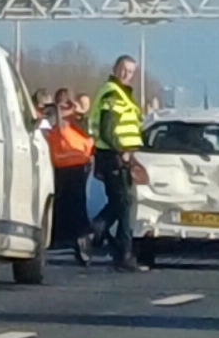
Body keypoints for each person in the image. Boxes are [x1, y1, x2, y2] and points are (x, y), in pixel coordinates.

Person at [87, 55, 145, 271]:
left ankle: (107, 243)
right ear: (114, 68)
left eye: (130, 71)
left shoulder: (121, 94)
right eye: (123, 69)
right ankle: (119, 250)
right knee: (126, 203)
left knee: (120, 203)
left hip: (118, 156)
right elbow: (107, 129)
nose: (126, 74)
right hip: (114, 156)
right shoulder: (113, 94)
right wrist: (122, 152)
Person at [46, 86, 95, 264]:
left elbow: (85, 127)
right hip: (59, 169)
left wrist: (74, 109)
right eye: (59, 103)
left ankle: (83, 240)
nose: (62, 107)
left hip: (78, 168)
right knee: (61, 206)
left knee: (77, 208)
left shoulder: (78, 119)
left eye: (65, 103)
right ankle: (65, 240)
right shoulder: (55, 119)